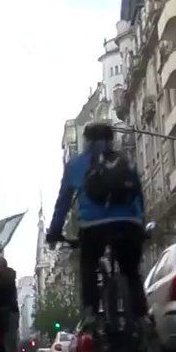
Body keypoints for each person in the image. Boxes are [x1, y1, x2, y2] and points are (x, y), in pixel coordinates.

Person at [45, 122, 146, 330]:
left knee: (89, 265)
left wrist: (55, 232)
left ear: (86, 141)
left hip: (94, 225)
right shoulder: (126, 162)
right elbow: (138, 196)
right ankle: (141, 317)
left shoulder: (76, 164)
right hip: (129, 224)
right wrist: (140, 224)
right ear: (111, 140)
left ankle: (90, 311)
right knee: (131, 272)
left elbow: (63, 202)